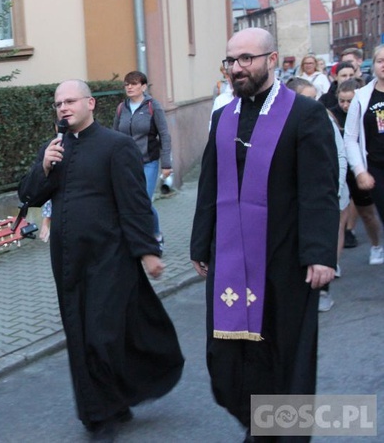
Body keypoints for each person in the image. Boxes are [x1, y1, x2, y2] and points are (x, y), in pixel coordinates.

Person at [191, 28, 339, 440]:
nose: (237, 68)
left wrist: (321, 252)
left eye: (246, 59)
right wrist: (200, 242)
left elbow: (319, 189)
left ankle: (280, 434)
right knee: (228, 356)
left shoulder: (304, 115)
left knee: (284, 351)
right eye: (231, 61)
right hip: (231, 260)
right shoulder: (224, 118)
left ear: (271, 60)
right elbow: (208, 185)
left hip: (286, 257)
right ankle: (257, 422)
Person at [18, 79, 184, 442]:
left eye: (70, 101)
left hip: (110, 258)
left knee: (101, 334)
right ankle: (102, 409)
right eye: (58, 103)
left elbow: (135, 203)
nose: (63, 107)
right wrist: (43, 167)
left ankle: (106, 412)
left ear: (90, 103)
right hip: (66, 261)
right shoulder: (55, 149)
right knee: (78, 336)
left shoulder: (117, 145)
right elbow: (28, 195)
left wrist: (148, 252)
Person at [285, 78, 348, 312]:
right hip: (297, 199)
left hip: (328, 193)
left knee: (325, 237)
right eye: (307, 98)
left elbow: (339, 156)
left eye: (315, 98)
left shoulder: (323, 120)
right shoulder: (284, 123)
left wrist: (336, 187)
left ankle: (324, 287)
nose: (314, 104)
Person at [112, 70, 172, 250]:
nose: (129, 87)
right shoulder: (121, 108)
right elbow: (114, 136)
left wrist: (166, 164)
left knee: (143, 201)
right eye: (127, 84)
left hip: (148, 162)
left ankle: (155, 235)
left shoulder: (153, 106)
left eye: (134, 83)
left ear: (143, 86)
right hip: (126, 164)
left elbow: (164, 135)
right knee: (128, 201)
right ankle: (135, 238)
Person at [329, 79, 384, 260]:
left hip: (365, 167)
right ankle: (334, 263)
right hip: (345, 171)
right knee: (339, 217)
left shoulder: (366, 107)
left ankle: (376, 245)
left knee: (367, 213)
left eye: (349, 101)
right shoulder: (331, 113)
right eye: (342, 101)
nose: (345, 105)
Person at [344, 43, 384, 267]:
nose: (383, 65)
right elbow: (350, 138)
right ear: (373, 65)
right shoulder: (362, 97)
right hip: (377, 168)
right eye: (380, 61)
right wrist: (360, 171)